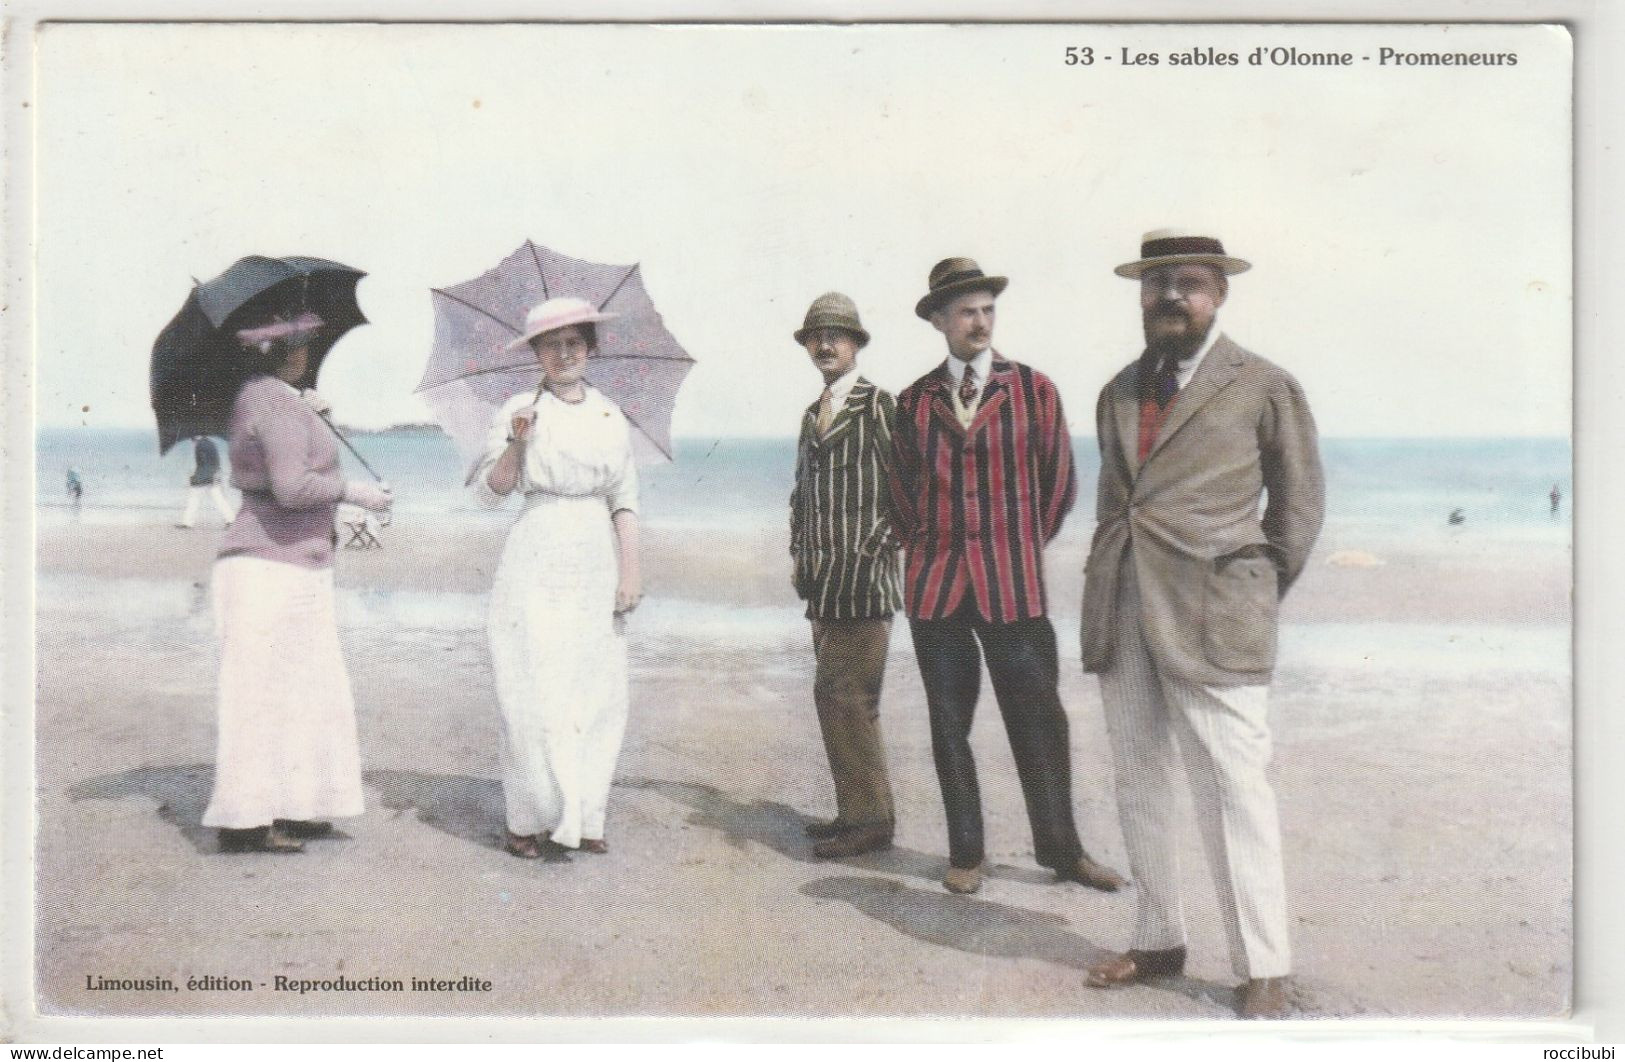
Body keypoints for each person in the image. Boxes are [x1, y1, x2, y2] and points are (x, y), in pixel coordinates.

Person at [1079, 229, 1324, 1019]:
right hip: (1122, 606)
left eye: (1187, 283)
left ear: (1219, 293)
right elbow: (1118, 499)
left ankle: (1264, 968)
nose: (1169, 297)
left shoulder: (1262, 384)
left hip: (1216, 614)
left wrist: (1249, 588)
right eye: (1155, 285)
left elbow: (1297, 511)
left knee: (1235, 789)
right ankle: (1157, 939)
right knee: (1137, 781)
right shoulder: (1118, 388)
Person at [888, 257, 1125, 896]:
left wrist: (1013, 547)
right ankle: (966, 852)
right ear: (938, 320)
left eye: (988, 309)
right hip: (935, 588)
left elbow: (1059, 484)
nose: (981, 322)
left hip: (1013, 586)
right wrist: (937, 550)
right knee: (948, 725)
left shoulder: (1034, 390)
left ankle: (1062, 851)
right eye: (967, 311)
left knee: (1040, 721)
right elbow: (900, 496)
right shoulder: (912, 402)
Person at [203, 312, 394, 853]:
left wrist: (310, 414)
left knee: (307, 690)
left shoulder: (269, 397)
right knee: (264, 693)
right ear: (279, 350)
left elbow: (289, 468)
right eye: (301, 343)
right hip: (269, 565)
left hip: (290, 564)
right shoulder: (269, 398)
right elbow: (290, 488)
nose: (309, 350)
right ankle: (244, 823)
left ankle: (301, 806)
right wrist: (356, 492)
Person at [472, 296, 642, 860]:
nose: (564, 355)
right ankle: (527, 819)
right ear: (537, 354)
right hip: (537, 550)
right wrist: (518, 442)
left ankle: (585, 814)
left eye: (574, 343)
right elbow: (492, 491)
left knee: (596, 687)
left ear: (589, 348)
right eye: (552, 346)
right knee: (530, 685)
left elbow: (625, 499)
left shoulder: (609, 413)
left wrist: (630, 572)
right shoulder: (520, 408)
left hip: (595, 553)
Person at [788, 293, 902, 858]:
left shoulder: (880, 405)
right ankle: (856, 812)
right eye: (816, 336)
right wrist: (799, 557)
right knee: (835, 700)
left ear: (856, 344)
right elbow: (800, 495)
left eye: (837, 335)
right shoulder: (812, 415)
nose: (826, 344)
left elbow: (911, 489)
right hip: (822, 585)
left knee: (846, 695)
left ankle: (873, 821)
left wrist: (873, 549)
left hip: (865, 584)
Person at [177, 435, 236, 528]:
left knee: (194, 499)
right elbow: (213, 462)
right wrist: (215, 474)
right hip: (213, 476)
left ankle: (187, 523)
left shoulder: (200, 445)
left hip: (204, 478)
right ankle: (231, 520)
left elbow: (203, 464)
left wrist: (194, 478)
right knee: (219, 499)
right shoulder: (210, 443)